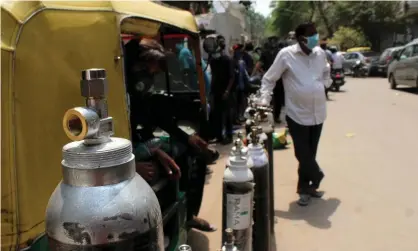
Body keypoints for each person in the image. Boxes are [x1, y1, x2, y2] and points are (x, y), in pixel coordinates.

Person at [124, 38, 217, 231]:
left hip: (143, 144)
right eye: (151, 68)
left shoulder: (142, 94)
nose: (153, 73)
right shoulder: (120, 94)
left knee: (193, 153)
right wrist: (130, 166)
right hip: (128, 153)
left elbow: (156, 120)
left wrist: (186, 138)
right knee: (170, 163)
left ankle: (187, 215)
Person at [257, 22, 331, 206]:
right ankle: (316, 174)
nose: (316, 36)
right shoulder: (286, 55)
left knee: (310, 153)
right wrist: (264, 100)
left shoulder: (320, 53)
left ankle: (306, 188)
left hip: (318, 112)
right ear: (301, 39)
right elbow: (268, 79)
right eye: (311, 34)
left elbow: (325, 71)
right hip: (297, 113)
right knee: (302, 152)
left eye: (316, 32)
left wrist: (324, 84)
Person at [209, 35, 235, 145]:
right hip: (216, 91)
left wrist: (227, 91)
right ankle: (219, 136)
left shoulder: (227, 59)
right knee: (217, 114)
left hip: (226, 92)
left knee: (227, 114)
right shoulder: (213, 60)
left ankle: (229, 136)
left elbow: (232, 77)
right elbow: (213, 75)